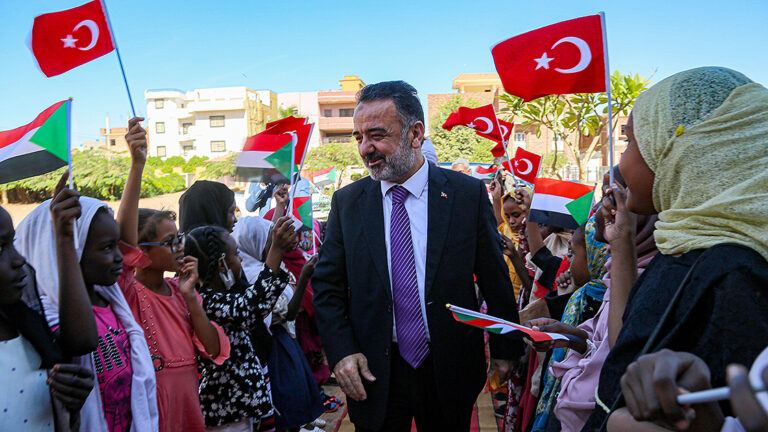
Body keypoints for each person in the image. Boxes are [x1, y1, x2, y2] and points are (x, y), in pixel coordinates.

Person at [312, 80, 521, 431]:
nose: (366, 149)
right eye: (359, 137)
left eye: (377, 135)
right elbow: (328, 288)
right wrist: (342, 352)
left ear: (415, 133)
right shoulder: (348, 203)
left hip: (449, 365)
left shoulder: (465, 194)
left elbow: (492, 274)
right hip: (374, 371)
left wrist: (505, 348)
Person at [583, 66, 768, 431]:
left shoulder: (736, 275)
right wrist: (621, 245)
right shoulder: (685, 244)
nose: (622, 162)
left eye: (631, 142)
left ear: (684, 151)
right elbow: (630, 347)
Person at [16, 175, 159, 432]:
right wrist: (64, 237)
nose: (119, 257)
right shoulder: (46, 315)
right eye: (106, 248)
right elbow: (82, 342)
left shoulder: (112, 298)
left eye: (117, 245)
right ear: (70, 251)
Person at [115, 117, 231, 432]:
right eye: (170, 242)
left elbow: (213, 348)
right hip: (154, 405)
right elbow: (123, 243)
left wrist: (191, 295)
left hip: (188, 403)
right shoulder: (128, 293)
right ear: (142, 251)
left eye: (179, 238)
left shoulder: (180, 291)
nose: (180, 247)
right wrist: (137, 165)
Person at [184, 216, 295, 431]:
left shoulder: (220, 296)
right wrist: (276, 250)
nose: (241, 260)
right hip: (227, 416)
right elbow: (252, 307)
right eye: (236, 254)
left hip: (241, 409)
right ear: (221, 263)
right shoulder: (205, 302)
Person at [0, 189, 96, 431]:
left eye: (12, 243)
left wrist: (69, 403)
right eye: (0, 248)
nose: (19, 259)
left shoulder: (27, 327)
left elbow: (83, 342)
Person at [232, 214, 325, 432]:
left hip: (284, 345)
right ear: (253, 243)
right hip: (272, 352)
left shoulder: (266, 269)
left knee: (291, 408)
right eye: (269, 242)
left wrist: (303, 277)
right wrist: (303, 278)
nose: (276, 247)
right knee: (282, 411)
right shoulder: (254, 277)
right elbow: (288, 313)